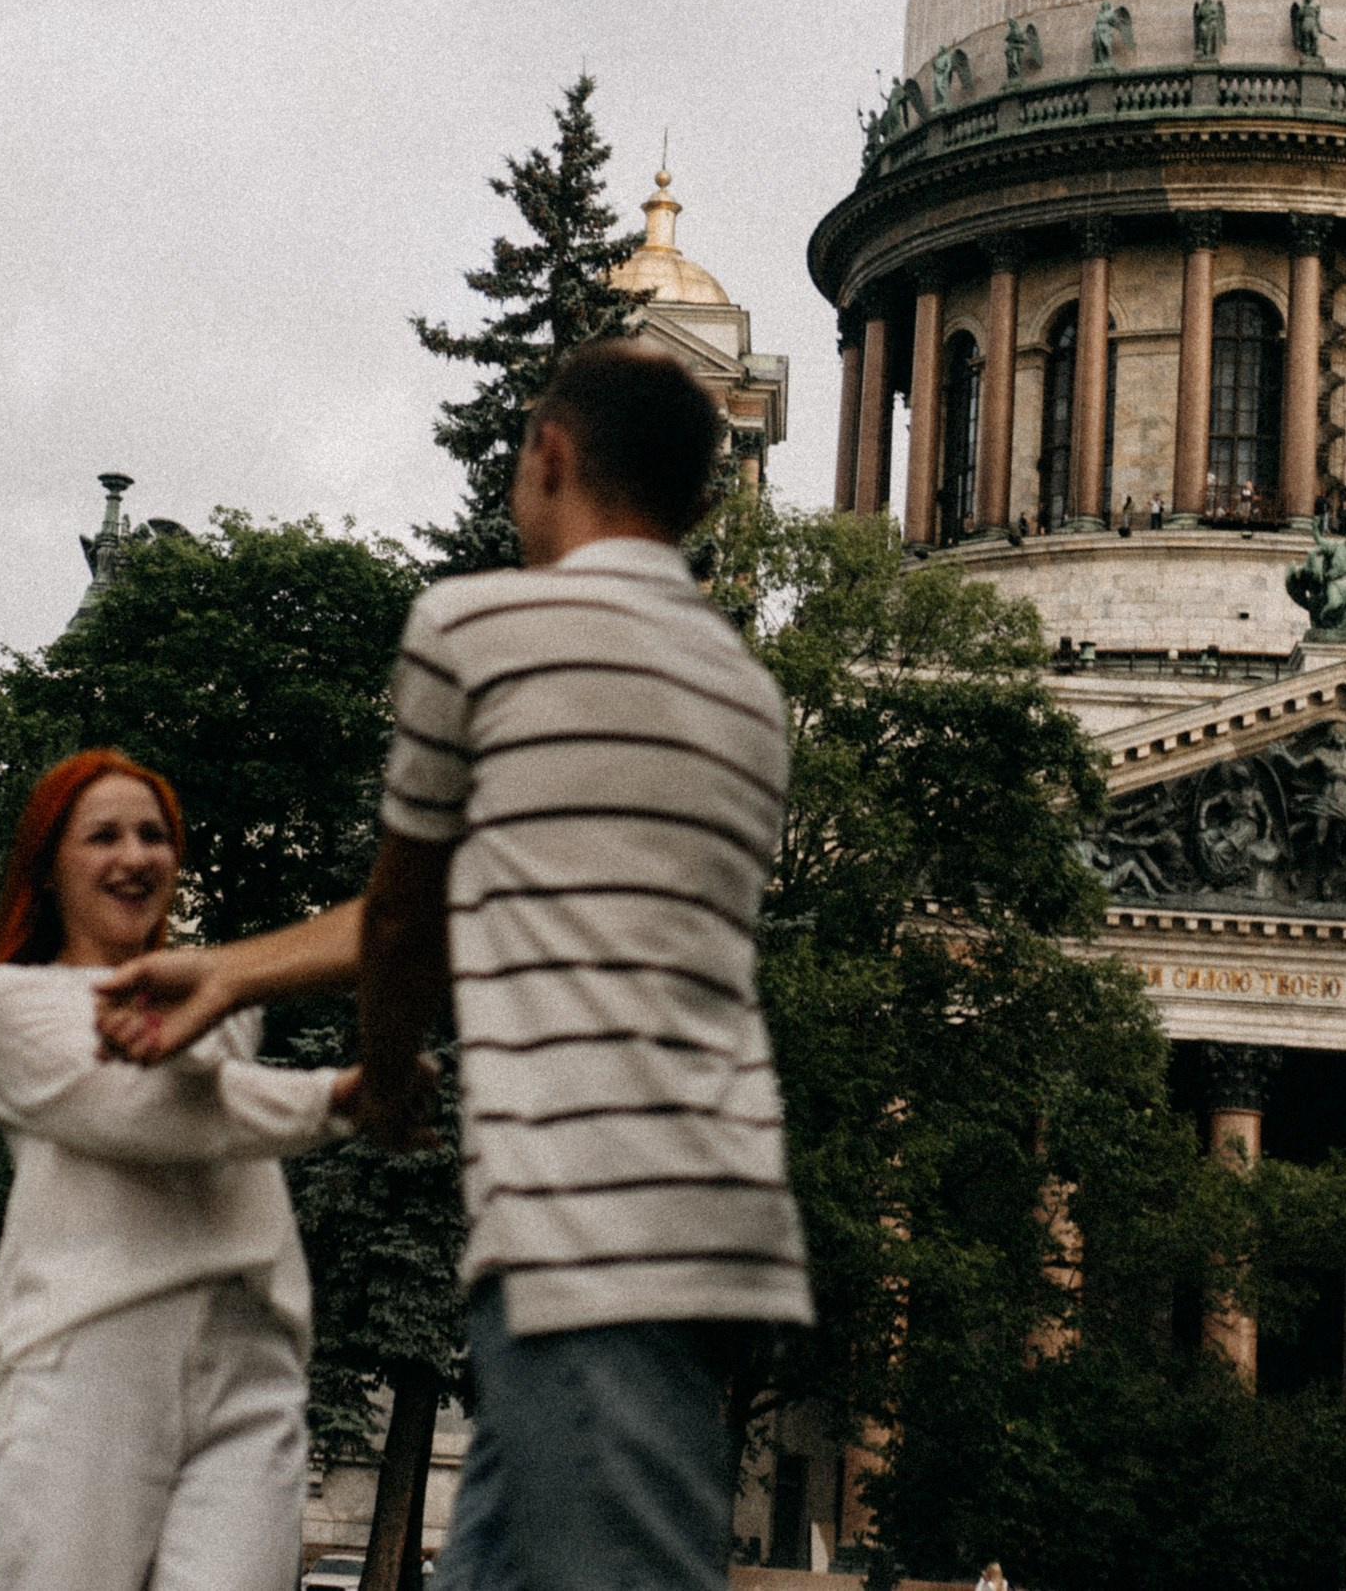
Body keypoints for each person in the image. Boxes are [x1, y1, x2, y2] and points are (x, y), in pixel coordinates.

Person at [97, 341, 812, 1591]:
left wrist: (382, 1077)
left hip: (592, 1218)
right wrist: (231, 972)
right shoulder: (744, 692)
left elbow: (405, 916)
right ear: (701, 498)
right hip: (709, 1212)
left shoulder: (474, 625)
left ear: (549, 457)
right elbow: (488, 899)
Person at [0, 750, 380, 1591]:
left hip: (251, 1353)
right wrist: (339, 1097)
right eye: (102, 835)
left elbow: (211, 1086)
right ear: (48, 868)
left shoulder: (223, 996)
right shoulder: (11, 999)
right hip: (90, 1358)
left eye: (154, 835)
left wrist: (225, 998)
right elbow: (162, 1117)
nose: (135, 855)